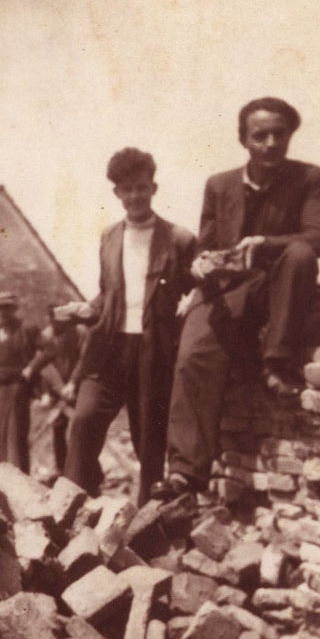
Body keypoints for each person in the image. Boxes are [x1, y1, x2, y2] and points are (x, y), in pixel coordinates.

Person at [152, 97, 320, 501]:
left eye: (279, 134)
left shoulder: (308, 178)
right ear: (243, 140)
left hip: (278, 287)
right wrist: (201, 264)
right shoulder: (219, 185)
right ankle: (185, 474)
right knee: (192, 355)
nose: (271, 143)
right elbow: (205, 246)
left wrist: (265, 244)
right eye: (260, 135)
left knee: (299, 254)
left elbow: (317, 240)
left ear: (290, 135)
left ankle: (276, 363)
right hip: (228, 289)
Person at [55, 147, 196, 506]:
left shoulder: (178, 238)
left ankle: (149, 519)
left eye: (141, 187)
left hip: (154, 349)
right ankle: (73, 507)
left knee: (149, 440)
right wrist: (86, 309)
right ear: (116, 192)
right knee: (84, 419)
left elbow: (196, 290)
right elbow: (109, 293)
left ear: (153, 188)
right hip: (109, 346)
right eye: (126, 189)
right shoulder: (109, 236)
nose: (134, 196)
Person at [0, 292, 43, 473]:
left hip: (16, 388)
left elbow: (50, 349)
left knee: (14, 434)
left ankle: (17, 476)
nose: (1, 313)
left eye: (6, 309)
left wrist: (31, 368)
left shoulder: (26, 329)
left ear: (14, 310)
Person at [35, 306, 87, 474]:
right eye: (55, 322)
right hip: (57, 390)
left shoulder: (79, 332)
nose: (59, 327)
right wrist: (52, 390)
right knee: (58, 429)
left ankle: (85, 471)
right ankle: (61, 470)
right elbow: (44, 365)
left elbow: (84, 360)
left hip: (77, 386)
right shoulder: (45, 336)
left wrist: (73, 383)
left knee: (81, 427)